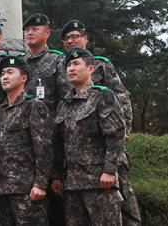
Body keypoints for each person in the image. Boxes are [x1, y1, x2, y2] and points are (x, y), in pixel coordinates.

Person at [60, 19, 141, 225]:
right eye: (67, 38)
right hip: (75, 161)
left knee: (121, 196)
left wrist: (124, 131)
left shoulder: (102, 66)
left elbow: (121, 97)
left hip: (104, 146)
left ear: (85, 39)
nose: (70, 41)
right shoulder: (60, 67)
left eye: (75, 36)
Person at [51, 48, 125, 226]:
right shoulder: (64, 104)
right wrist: (57, 175)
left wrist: (109, 170)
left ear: (91, 69)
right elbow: (59, 144)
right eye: (68, 65)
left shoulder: (102, 96)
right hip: (72, 185)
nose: (71, 68)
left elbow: (115, 135)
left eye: (76, 64)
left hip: (99, 182)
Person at [0, 56, 52, 226]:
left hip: (26, 188)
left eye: (10, 72)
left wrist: (40, 184)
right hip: (2, 189)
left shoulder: (33, 106)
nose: (4, 77)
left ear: (24, 78)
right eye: (2, 73)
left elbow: (44, 148)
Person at [22, 13, 66, 114]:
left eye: (35, 29)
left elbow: (66, 96)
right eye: (27, 30)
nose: (29, 33)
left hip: (48, 123)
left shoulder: (58, 60)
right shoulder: (19, 62)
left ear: (47, 33)